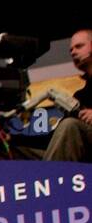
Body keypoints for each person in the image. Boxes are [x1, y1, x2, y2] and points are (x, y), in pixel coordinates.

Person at [44, 29, 92, 163]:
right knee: (11, 148)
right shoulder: (81, 95)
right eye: (71, 50)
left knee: (70, 125)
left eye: (79, 46)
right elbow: (58, 137)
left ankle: (48, 179)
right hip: (79, 152)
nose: (73, 52)